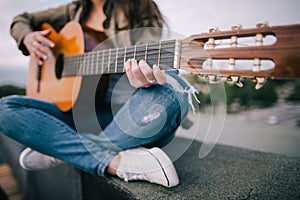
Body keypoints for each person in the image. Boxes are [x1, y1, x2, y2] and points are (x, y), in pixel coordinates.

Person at [0, 0, 191, 187]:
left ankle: (60, 147)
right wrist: (27, 37)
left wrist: (144, 77)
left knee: (173, 91)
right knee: (4, 109)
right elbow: (22, 20)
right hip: (78, 113)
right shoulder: (73, 9)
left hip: (124, 116)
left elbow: (151, 62)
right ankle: (113, 162)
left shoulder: (139, 6)